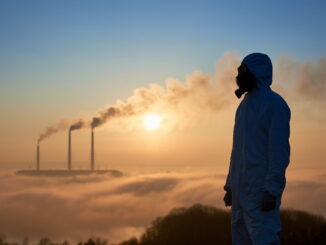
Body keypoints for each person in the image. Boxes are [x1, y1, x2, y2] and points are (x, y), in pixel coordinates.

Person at [223, 53, 291, 245]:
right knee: (241, 239)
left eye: (242, 70)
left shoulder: (274, 104)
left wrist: (272, 189)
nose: (239, 75)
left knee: (265, 238)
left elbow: (279, 151)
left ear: (256, 71)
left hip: (260, 191)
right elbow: (236, 151)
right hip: (240, 191)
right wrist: (230, 186)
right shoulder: (243, 106)